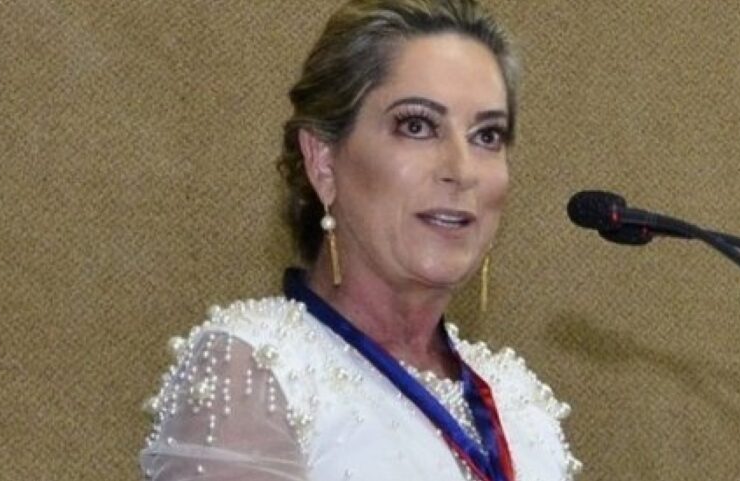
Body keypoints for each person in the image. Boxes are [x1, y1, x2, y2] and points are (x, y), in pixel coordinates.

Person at [139, 1, 582, 479]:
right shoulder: (253, 371)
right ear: (323, 161)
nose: (461, 169)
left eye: (487, 135)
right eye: (417, 126)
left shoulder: (520, 402)